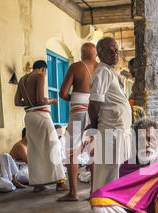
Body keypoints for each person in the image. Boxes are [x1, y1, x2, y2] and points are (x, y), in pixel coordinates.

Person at [15, 60, 68, 193]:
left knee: (35, 149)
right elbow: (40, 100)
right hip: (41, 115)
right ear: (44, 69)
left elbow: (17, 101)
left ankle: (38, 184)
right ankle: (60, 183)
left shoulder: (22, 80)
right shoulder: (39, 76)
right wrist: (52, 100)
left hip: (29, 117)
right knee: (53, 145)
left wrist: (29, 103)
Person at [88, 37, 132, 192]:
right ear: (99, 54)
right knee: (109, 171)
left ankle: (111, 203)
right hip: (110, 130)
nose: (115, 54)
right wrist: (94, 127)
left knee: (116, 169)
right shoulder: (102, 71)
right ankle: (104, 204)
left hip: (117, 130)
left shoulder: (109, 71)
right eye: (109, 51)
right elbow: (94, 103)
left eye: (116, 51)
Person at [58, 43, 98, 201]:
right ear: (95, 54)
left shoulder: (76, 66)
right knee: (94, 151)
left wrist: (73, 99)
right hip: (96, 110)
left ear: (82, 53)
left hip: (78, 110)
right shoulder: (101, 67)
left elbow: (62, 93)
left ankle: (73, 193)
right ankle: (94, 192)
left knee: (71, 152)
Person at [128, 58, 145, 123]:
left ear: (135, 68)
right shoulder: (137, 81)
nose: (129, 71)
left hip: (142, 113)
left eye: (130, 68)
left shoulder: (142, 81)